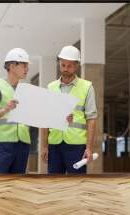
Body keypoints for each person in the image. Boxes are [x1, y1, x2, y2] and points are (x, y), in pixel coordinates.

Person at [41, 45, 97, 174]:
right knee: (54, 185)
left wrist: (89, 147)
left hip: (77, 146)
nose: (65, 69)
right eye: (63, 65)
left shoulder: (87, 87)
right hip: (54, 144)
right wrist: (44, 146)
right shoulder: (51, 87)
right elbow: (45, 119)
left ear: (76, 66)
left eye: (69, 66)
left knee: (76, 186)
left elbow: (91, 119)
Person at [0, 48, 31, 174]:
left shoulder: (26, 90)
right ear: (11, 66)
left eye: (27, 65)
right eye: (24, 65)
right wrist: (6, 109)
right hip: (3, 144)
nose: (27, 69)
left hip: (23, 144)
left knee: (17, 185)